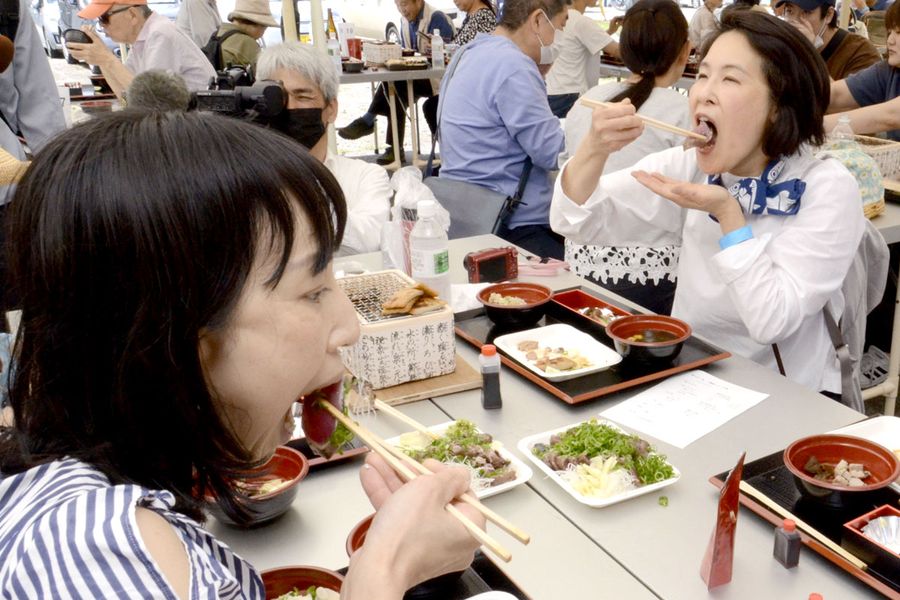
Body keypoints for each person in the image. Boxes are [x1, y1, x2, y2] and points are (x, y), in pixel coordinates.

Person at [0, 110, 484, 597]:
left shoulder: (124, 500)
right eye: (313, 290)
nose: (349, 328)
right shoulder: (101, 550)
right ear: (177, 337)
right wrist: (387, 566)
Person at [551, 10, 866, 395]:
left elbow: (772, 321)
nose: (703, 92)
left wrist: (727, 214)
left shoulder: (826, 186)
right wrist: (593, 151)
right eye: (702, 75)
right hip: (694, 375)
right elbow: (576, 220)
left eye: (730, 78)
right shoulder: (691, 165)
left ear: (780, 104)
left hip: (790, 393)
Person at [562, 0, 690, 315]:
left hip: (579, 265)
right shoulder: (684, 112)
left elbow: (565, 176)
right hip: (653, 274)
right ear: (685, 51)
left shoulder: (588, 102)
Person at [438, 0, 568, 259]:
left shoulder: (467, 53)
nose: (559, 38)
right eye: (561, 25)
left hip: (461, 212)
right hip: (512, 223)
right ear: (538, 20)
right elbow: (553, 152)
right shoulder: (514, 66)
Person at [257, 42, 392, 256]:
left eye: (302, 96)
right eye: (278, 97)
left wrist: (299, 187)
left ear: (331, 109)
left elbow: (369, 240)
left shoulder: (365, 176)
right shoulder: (249, 179)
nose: (289, 107)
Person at [0, 0, 67, 317]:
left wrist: (59, 192)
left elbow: (40, 105)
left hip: (6, 200)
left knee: (16, 314)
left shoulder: (9, 8)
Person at [337, 0, 454, 166]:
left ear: (418, 2)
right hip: (418, 74)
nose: (402, 10)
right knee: (394, 83)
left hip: (440, 79)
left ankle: (372, 124)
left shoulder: (436, 18)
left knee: (395, 83)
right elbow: (407, 53)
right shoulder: (404, 21)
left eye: (405, 4)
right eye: (398, 6)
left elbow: (447, 54)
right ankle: (391, 146)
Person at [66, 0, 216, 97]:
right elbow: (125, 95)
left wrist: (107, 59)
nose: (102, 25)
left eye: (104, 18)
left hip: (200, 132)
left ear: (132, 14)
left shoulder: (160, 34)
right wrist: (102, 61)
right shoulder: (143, 39)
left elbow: (151, 100)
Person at [824, 0, 900, 140]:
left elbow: (889, 116)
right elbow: (836, 94)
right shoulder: (889, 70)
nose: (890, 40)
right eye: (889, 32)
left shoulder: (859, 49)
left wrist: (807, 128)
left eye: (899, 33)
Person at [545, 0, 621, 119]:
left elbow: (581, 42)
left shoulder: (557, 16)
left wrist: (609, 32)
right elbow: (618, 51)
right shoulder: (580, 22)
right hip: (569, 96)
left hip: (552, 93)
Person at [775, 0, 880, 80]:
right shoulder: (784, 48)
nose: (795, 21)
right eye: (789, 11)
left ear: (829, 15)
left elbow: (847, 102)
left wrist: (810, 54)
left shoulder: (860, 52)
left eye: (806, 12)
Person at [212, 0, 278, 73]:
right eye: (264, 28)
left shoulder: (218, 34)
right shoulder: (247, 44)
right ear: (256, 26)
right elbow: (265, 75)